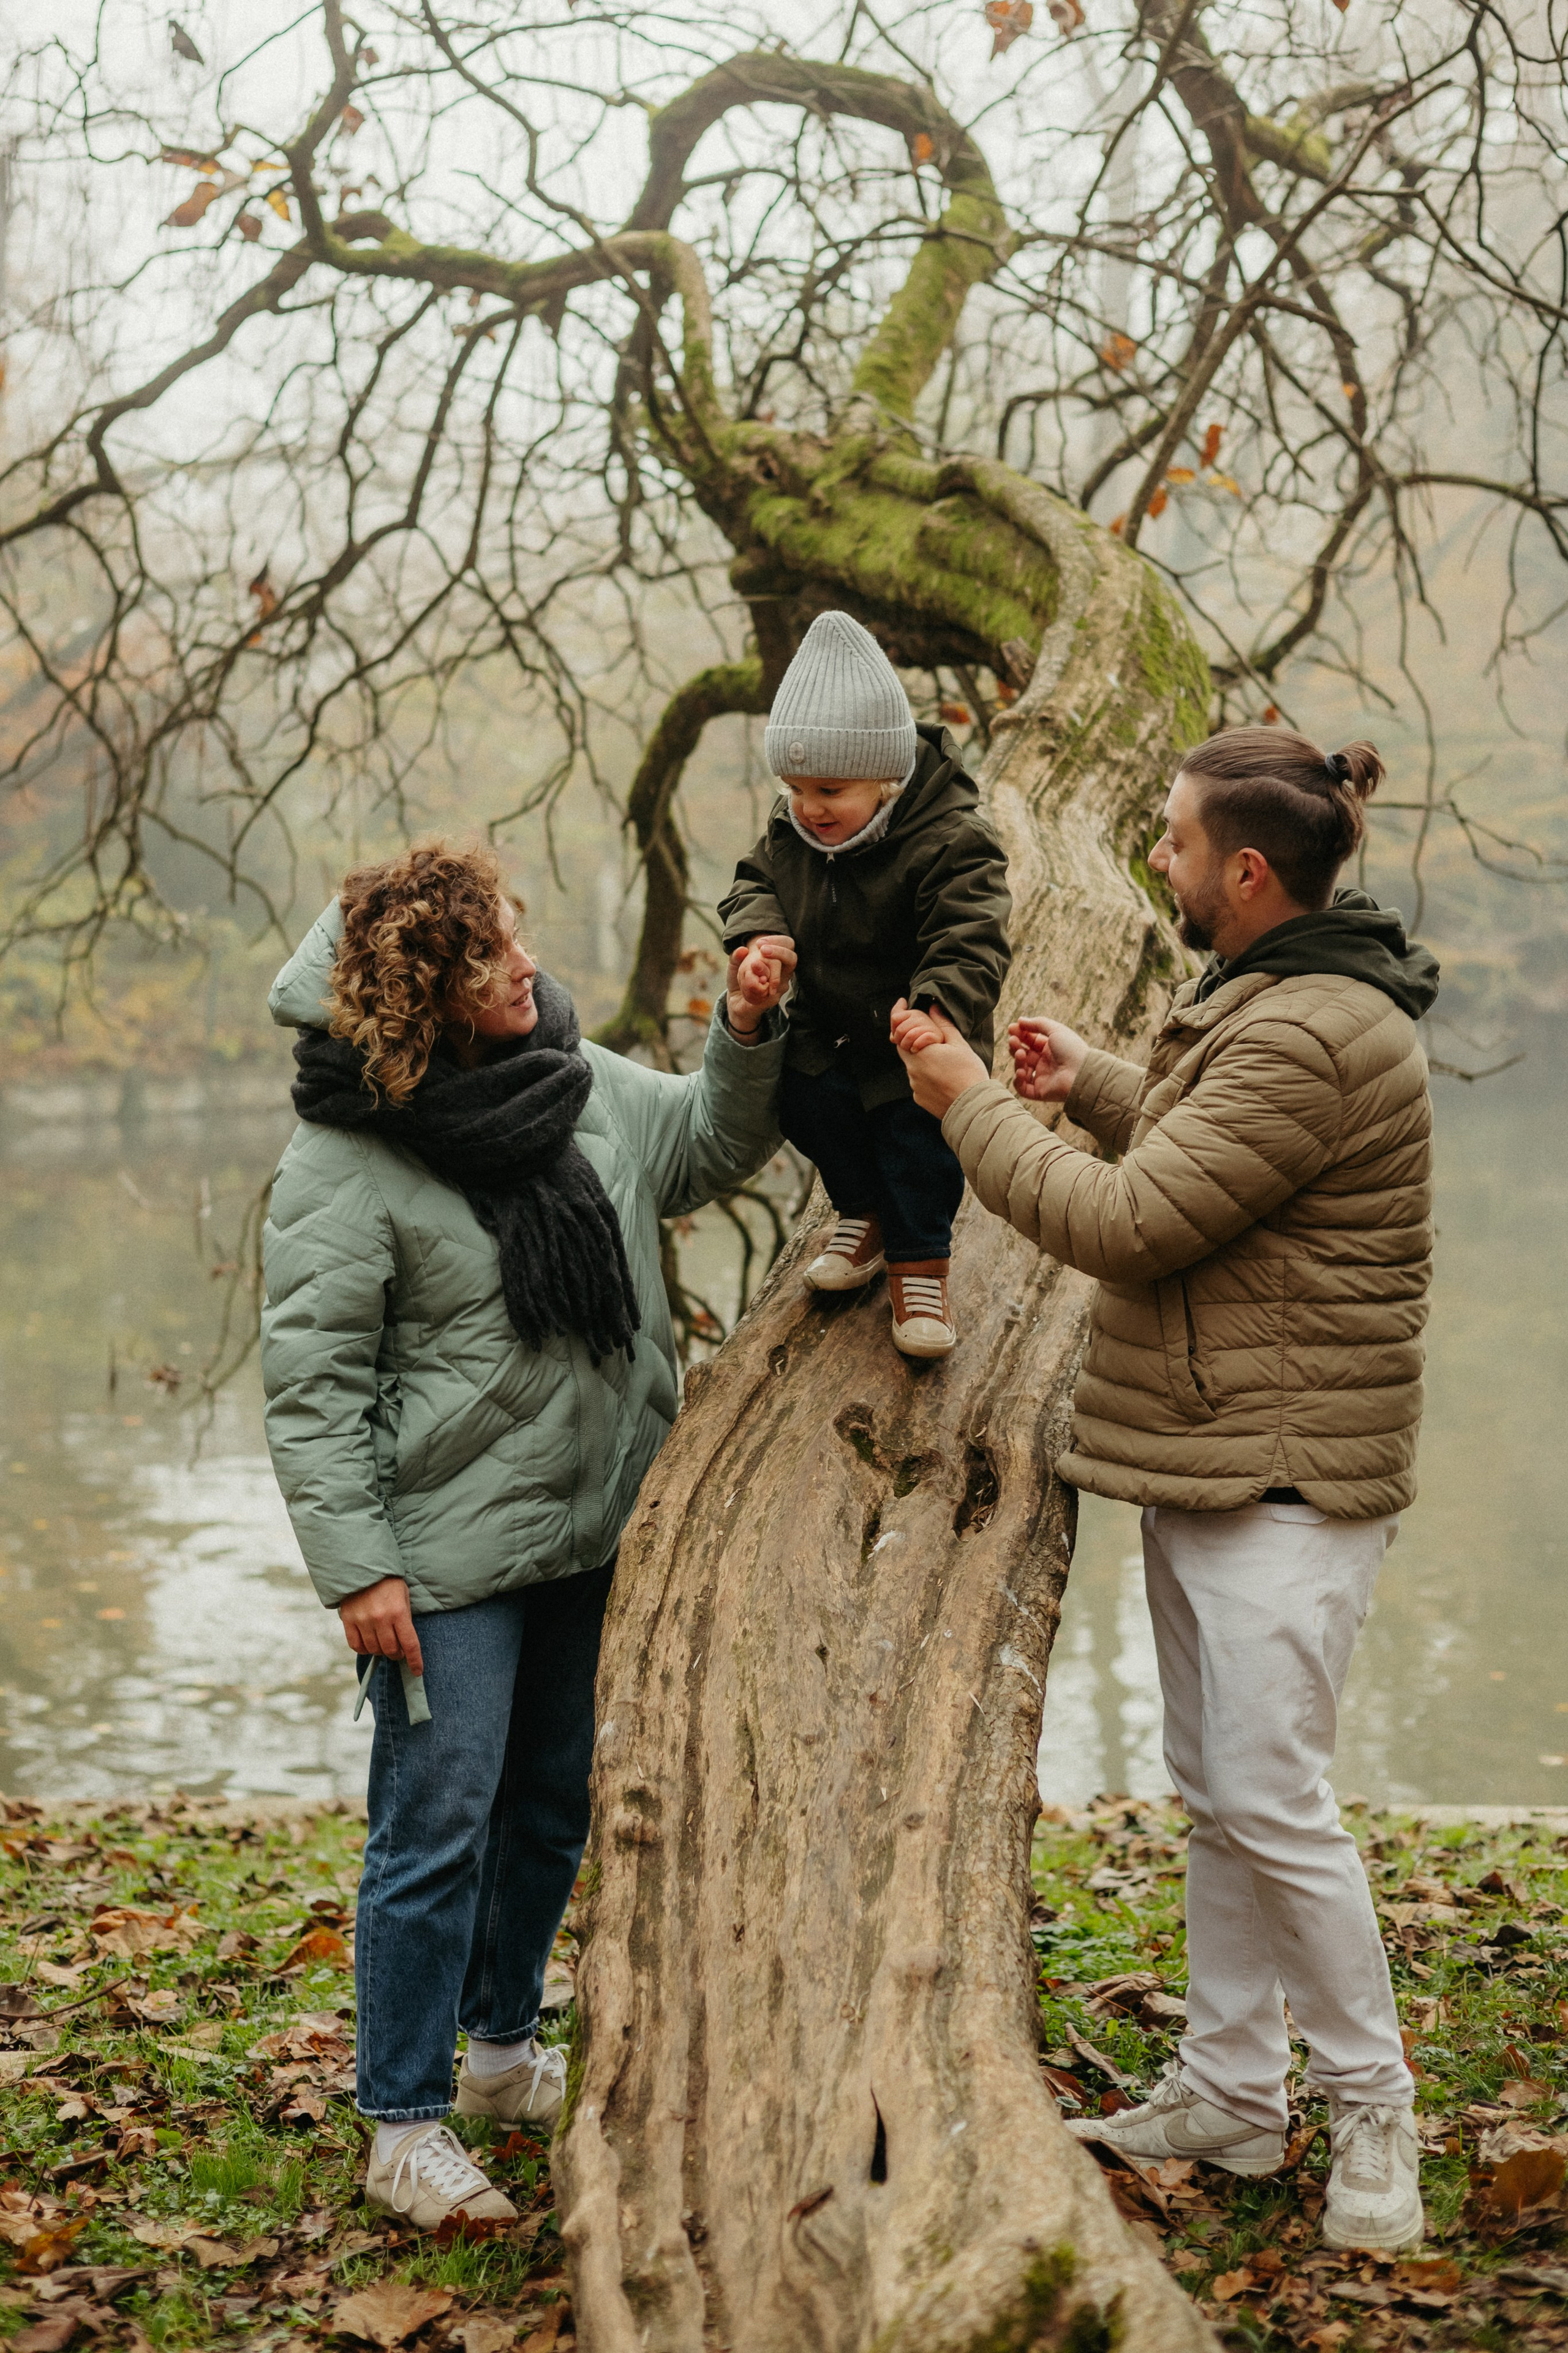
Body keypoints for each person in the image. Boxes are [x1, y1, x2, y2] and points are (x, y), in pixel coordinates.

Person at [891, 729, 1439, 2254]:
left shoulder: (1307, 1028)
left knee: (1270, 1801)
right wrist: (1095, 1081)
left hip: (1280, 1477)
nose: (1158, 860)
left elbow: (1133, 1225)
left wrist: (964, 1105)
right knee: (1220, 1802)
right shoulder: (1286, 999)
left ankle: (1371, 2106)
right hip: (1215, 1455)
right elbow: (1216, 1161)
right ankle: (1229, 2089)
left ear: (1245, 872)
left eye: (1177, 841)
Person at [260, 842, 791, 2230]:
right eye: (493, 952)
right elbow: (313, 1383)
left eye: (516, 934)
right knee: (435, 1823)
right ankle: (401, 2119)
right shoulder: (344, 1153)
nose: (527, 962)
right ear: (431, 992)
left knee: (550, 1801)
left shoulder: (578, 1078)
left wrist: (739, 1030)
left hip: (593, 1526)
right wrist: (356, 1565)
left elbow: (710, 1141)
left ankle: (499, 2054)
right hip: (436, 1560)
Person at [719, 610, 1011, 1360]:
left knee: (917, 1142)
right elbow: (755, 878)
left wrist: (940, 1005)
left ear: (887, 778)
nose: (808, 807)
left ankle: (920, 1262)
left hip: (915, 1030)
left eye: (828, 788)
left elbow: (970, 930)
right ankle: (862, 1212)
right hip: (832, 1023)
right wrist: (757, 938)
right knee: (807, 1102)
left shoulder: (950, 837)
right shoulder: (799, 828)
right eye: (793, 787)